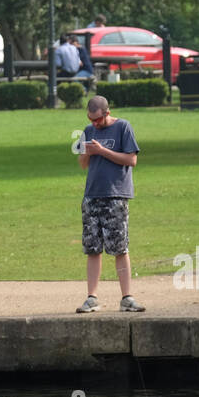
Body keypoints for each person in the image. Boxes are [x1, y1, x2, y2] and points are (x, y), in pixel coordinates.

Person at [76, 95, 144, 314]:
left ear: (107, 112)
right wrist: (86, 152)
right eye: (90, 119)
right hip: (91, 195)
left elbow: (131, 160)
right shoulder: (88, 130)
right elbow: (82, 164)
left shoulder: (123, 127)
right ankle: (92, 297)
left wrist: (102, 150)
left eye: (97, 119)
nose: (94, 123)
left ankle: (127, 297)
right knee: (92, 249)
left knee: (119, 248)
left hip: (116, 195)